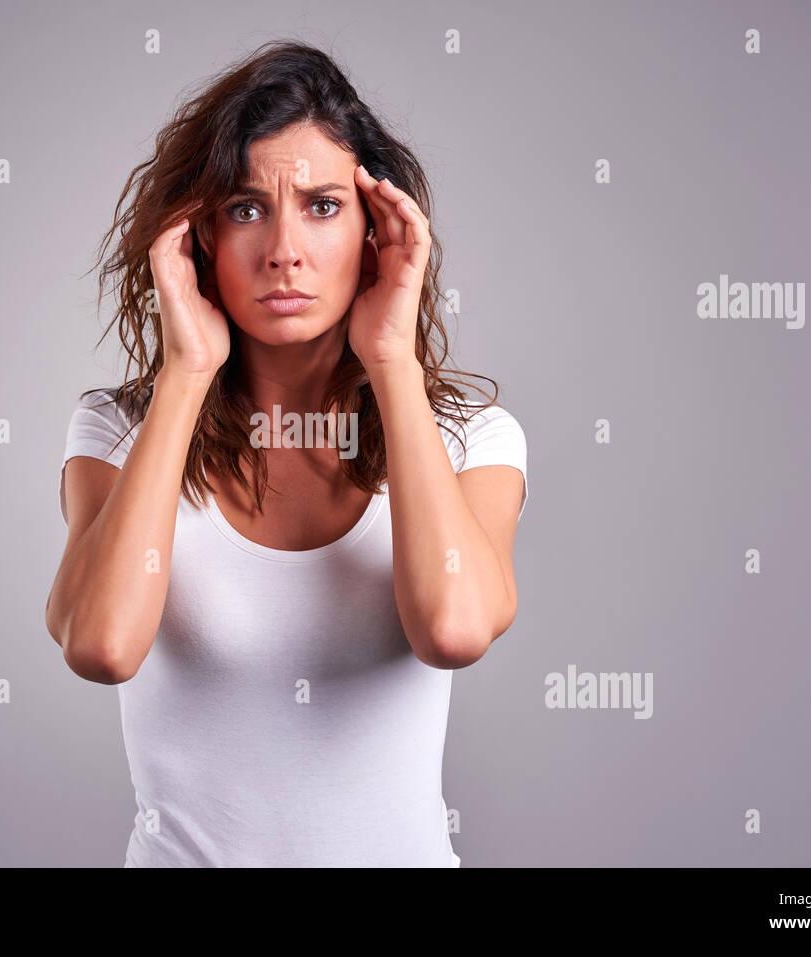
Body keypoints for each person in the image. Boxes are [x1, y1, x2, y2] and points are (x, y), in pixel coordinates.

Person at [45, 40, 529, 867]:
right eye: (244, 208)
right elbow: (101, 644)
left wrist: (392, 362)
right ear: (195, 236)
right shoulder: (119, 433)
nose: (283, 250)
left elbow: (452, 628)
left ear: (378, 228)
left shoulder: (470, 439)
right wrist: (187, 370)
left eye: (321, 206)